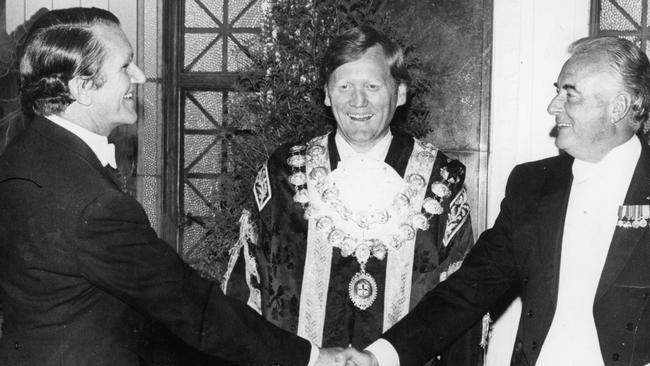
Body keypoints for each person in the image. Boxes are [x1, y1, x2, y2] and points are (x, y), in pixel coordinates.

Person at [0, 7, 343, 366]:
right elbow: (191, 306)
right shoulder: (95, 204)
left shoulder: (23, 153)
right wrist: (311, 357)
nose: (141, 76)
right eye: (125, 66)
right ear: (83, 88)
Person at [338, 35, 650, 366]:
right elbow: (468, 290)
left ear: (617, 107)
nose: (551, 107)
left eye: (569, 95)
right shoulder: (532, 185)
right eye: (556, 91)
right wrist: (380, 356)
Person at [225, 26, 483, 365]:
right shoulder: (282, 176)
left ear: (400, 92)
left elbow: (461, 306)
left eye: (372, 86)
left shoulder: (442, 182)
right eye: (344, 86)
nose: (357, 101)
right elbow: (247, 293)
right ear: (327, 95)